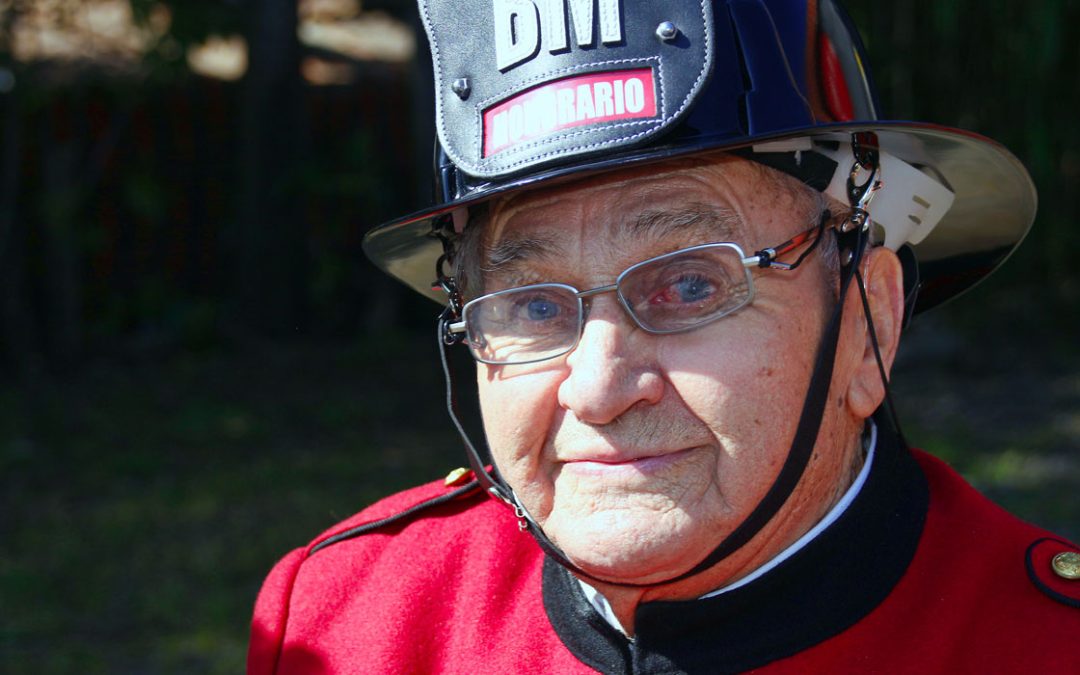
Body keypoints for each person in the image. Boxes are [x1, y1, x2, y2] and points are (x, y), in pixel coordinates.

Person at [249, 0, 1080, 672]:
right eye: (534, 306)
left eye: (689, 284)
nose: (600, 387)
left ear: (870, 322)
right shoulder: (349, 625)